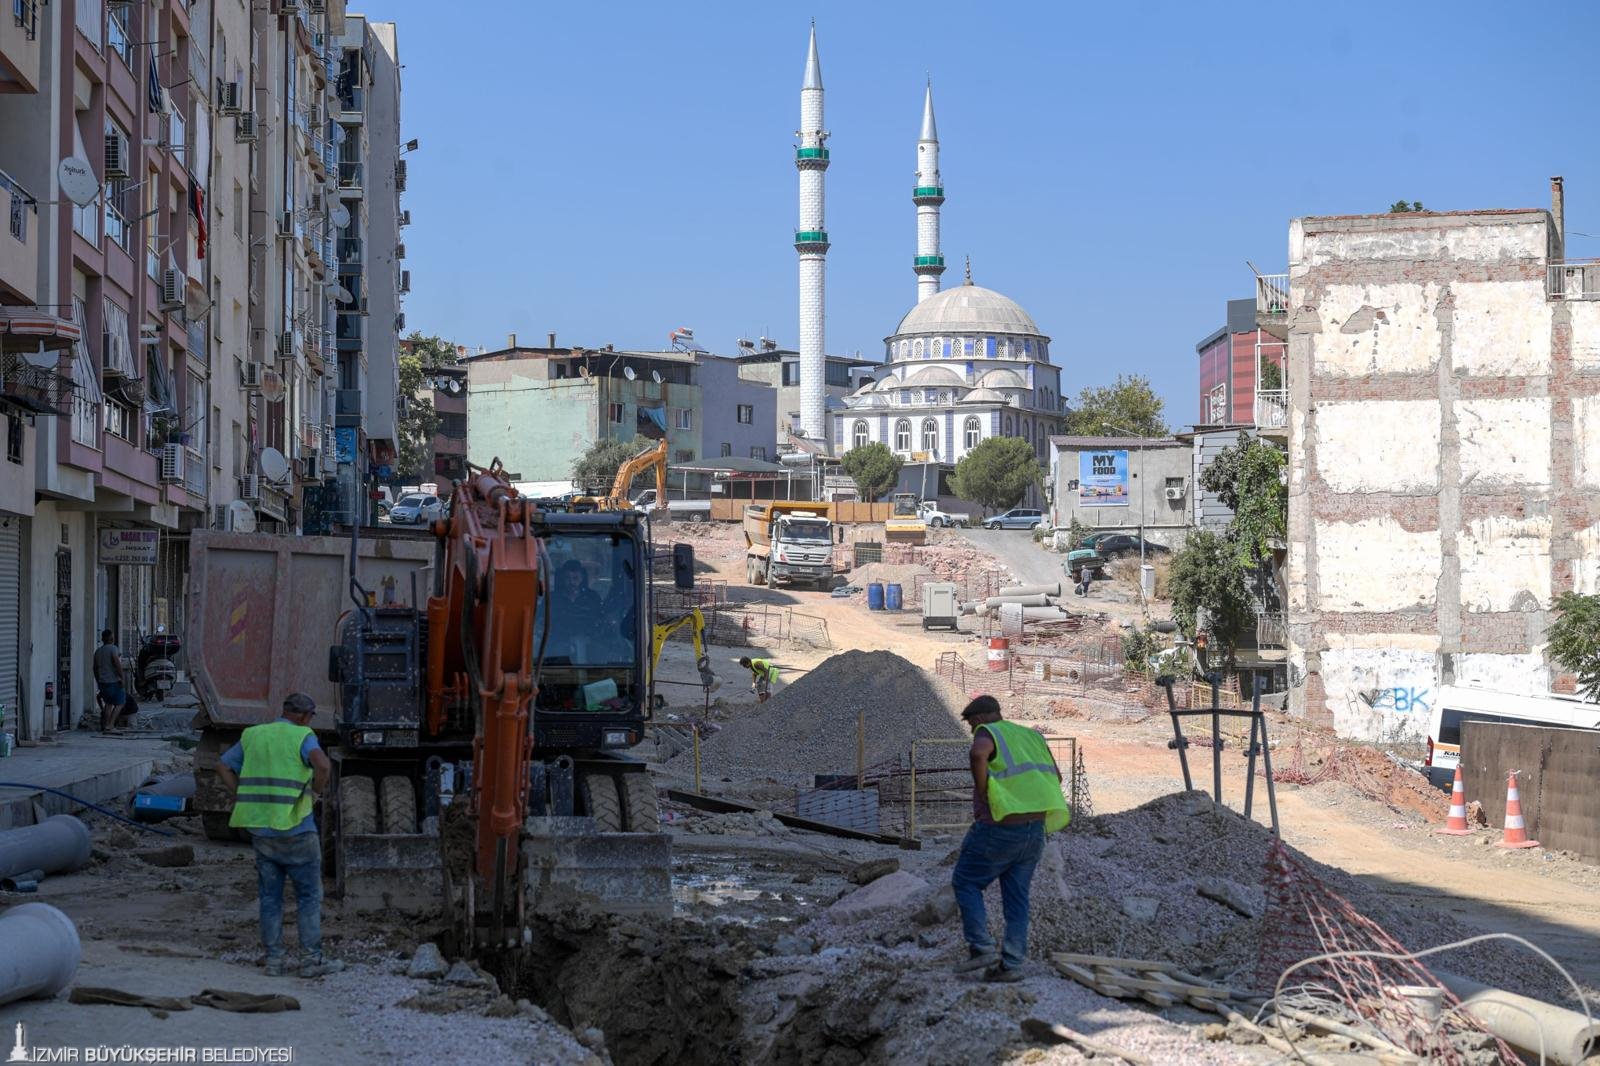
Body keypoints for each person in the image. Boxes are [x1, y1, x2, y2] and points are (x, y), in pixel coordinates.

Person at [215, 693, 344, 978]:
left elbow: (223, 765)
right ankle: (310, 962)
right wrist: (315, 793)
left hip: (262, 831)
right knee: (309, 897)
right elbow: (323, 766)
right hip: (297, 831)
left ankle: (274, 961)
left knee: (270, 898)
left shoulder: (253, 734)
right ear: (303, 716)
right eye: (311, 716)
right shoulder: (302, 736)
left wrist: (240, 794)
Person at [951, 695, 1070, 983]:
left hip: (1000, 827)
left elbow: (979, 753)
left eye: (970, 724)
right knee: (1017, 898)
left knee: (966, 882)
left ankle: (981, 948)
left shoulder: (987, 733)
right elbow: (1057, 776)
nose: (970, 730)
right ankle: (1012, 964)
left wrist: (983, 790)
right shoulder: (1031, 736)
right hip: (1035, 831)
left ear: (978, 719)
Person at [93, 630, 133, 733]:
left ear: (102, 639)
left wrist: (98, 681)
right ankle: (110, 725)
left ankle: (106, 725)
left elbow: (95, 668)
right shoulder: (113, 649)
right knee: (120, 702)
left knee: (108, 703)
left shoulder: (98, 652)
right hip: (113, 681)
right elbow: (117, 663)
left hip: (102, 682)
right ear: (112, 639)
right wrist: (122, 678)